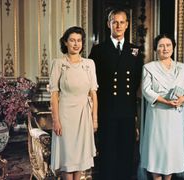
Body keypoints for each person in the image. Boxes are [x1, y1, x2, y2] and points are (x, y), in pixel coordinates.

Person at [88, 8, 144, 180]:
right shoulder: (98, 50)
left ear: (127, 25)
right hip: (106, 109)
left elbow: (136, 81)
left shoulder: (135, 50)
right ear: (108, 24)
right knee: (107, 152)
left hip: (127, 110)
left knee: (126, 153)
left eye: (122, 22)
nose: (118, 25)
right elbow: (92, 82)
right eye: (114, 22)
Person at [139, 34, 184, 180]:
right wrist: (165, 101)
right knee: (157, 151)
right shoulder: (149, 67)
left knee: (171, 152)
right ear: (156, 49)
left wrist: (183, 98)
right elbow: (146, 90)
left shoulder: (183, 68)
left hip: (175, 116)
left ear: (173, 47)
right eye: (161, 46)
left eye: (168, 45)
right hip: (158, 115)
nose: (165, 48)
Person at [49, 26, 98, 180]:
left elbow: (93, 93)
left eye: (79, 40)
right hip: (65, 116)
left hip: (83, 115)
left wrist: (94, 118)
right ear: (65, 42)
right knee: (68, 159)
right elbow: (54, 95)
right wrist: (56, 121)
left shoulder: (89, 63)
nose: (76, 44)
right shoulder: (58, 63)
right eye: (72, 40)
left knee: (80, 160)